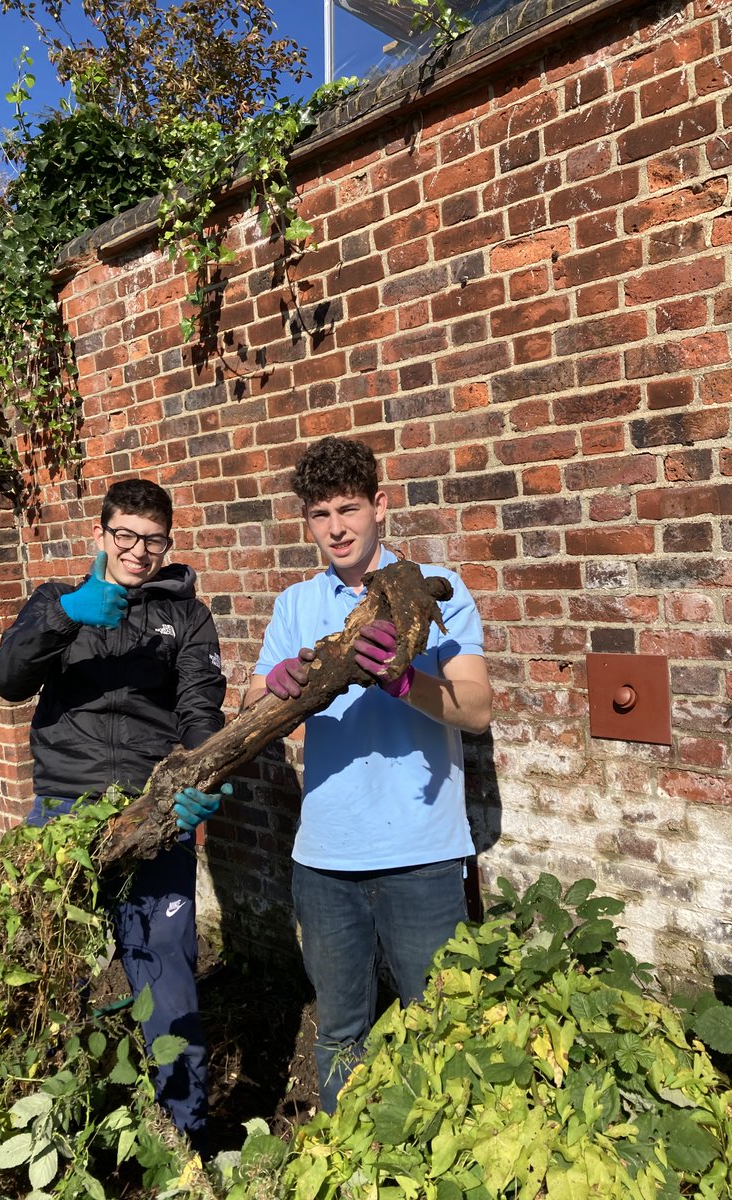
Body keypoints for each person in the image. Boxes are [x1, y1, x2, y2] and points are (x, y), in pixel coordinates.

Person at [243, 436, 493, 1113]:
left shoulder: (432, 591)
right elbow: (250, 703)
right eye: (321, 515)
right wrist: (277, 684)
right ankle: (351, 1168)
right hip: (325, 861)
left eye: (349, 509)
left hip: (425, 857)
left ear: (380, 506)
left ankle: (441, 1164)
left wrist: (404, 680)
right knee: (342, 1032)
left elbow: (476, 708)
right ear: (307, 522)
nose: (337, 528)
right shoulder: (296, 603)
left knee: (441, 1027)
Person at [0, 478, 229, 1156]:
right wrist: (67, 615)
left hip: (152, 812)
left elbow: (199, 711)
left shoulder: (188, 618)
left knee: (168, 967)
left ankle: (184, 1137)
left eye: (153, 540)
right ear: (102, 535)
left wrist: (200, 779)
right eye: (125, 535)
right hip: (64, 811)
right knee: (47, 966)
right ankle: (52, 1132)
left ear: (168, 544)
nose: (138, 550)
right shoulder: (55, 603)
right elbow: (6, 680)